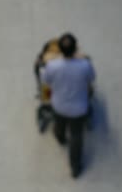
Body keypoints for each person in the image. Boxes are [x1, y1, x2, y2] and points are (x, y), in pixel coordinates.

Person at [41, 33, 96, 178]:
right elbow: (91, 78)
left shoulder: (52, 66)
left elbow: (46, 81)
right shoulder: (85, 65)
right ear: (75, 49)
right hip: (79, 109)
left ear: (60, 50)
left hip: (59, 106)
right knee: (76, 136)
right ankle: (75, 167)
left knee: (59, 123)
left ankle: (60, 137)